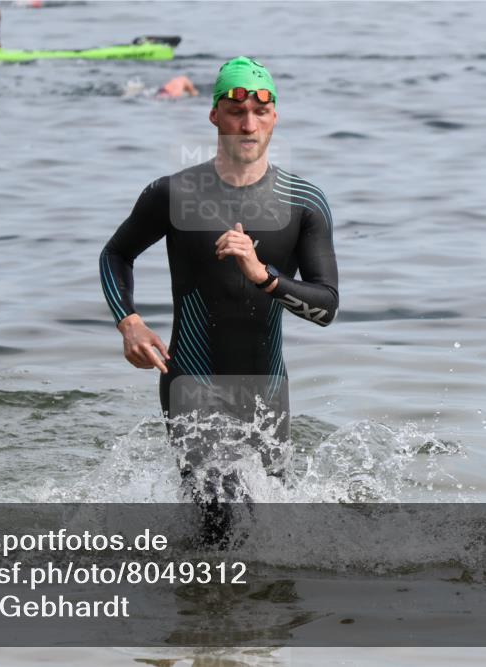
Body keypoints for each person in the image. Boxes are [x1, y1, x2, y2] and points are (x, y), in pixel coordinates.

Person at [100, 56, 338, 521]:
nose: (248, 125)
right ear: (214, 115)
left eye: (260, 112)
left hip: (267, 389)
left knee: (269, 535)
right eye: (235, 111)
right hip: (191, 381)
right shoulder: (173, 194)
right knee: (218, 518)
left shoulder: (303, 203)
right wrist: (128, 322)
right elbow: (115, 254)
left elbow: (326, 307)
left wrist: (263, 274)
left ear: (275, 116)